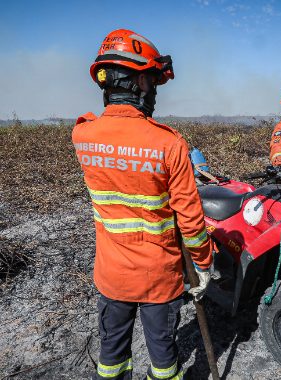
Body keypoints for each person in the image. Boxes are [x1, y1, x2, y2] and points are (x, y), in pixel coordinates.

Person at [73, 29, 214, 380]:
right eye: (152, 79)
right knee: (164, 364)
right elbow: (191, 220)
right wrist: (204, 264)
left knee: (111, 361)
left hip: (111, 277)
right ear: (137, 80)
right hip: (158, 279)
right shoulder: (169, 144)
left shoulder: (82, 134)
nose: (153, 90)